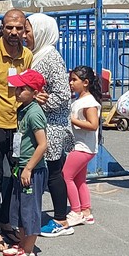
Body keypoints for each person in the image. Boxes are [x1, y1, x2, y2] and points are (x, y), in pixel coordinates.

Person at [0, 9, 33, 252]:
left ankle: (5, 220)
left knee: (14, 178)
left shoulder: (27, 56)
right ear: (2, 27)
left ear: (25, 30)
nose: (14, 32)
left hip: (18, 126)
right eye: (9, 27)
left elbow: (26, 88)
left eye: (19, 28)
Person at [24, 13, 74, 237]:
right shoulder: (37, 55)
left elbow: (63, 94)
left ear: (41, 32)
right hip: (42, 123)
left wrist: (39, 103)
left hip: (52, 125)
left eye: (28, 31)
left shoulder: (50, 57)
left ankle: (61, 220)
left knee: (54, 173)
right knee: (49, 172)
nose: (25, 35)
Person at [2, 69, 47, 256]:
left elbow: (42, 144)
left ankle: (29, 251)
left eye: (22, 88)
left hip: (31, 169)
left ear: (35, 92)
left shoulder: (35, 113)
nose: (17, 91)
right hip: (20, 166)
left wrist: (28, 168)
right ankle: (22, 244)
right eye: (17, 88)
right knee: (19, 208)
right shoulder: (23, 109)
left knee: (30, 209)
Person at [58, 66, 101, 229]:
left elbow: (93, 125)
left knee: (65, 176)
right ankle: (86, 211)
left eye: (74, 80)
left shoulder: (89, 102)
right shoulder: (80, 101)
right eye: (71, 79)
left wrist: (71, 120)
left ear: (86, 83)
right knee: (79, 179)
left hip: (83, 147)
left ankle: (76, 211)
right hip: (84, 146)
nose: (71, 83)